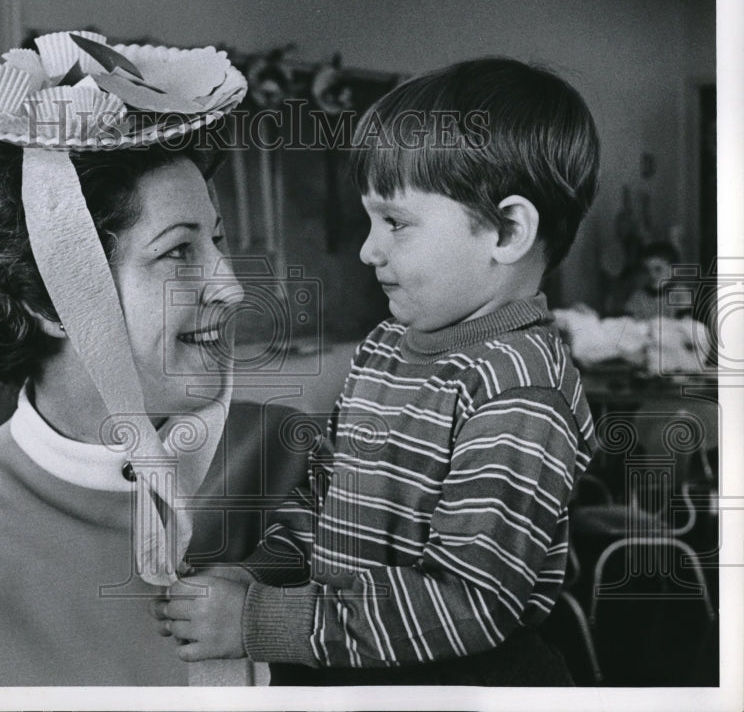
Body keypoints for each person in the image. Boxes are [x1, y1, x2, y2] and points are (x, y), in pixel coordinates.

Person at [0, 32, 308, 686]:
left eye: (214, 241)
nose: (232, 286)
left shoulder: (299, 458)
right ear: (51, 299)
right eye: (178, 252)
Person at [151, 57, 600, 686]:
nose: (368, 249)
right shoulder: (386, 349)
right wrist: (261, 572)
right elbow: (322, 499)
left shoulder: (520, 393)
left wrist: (261, 620)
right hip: (350, 659)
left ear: (507, 230)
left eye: (395, 222)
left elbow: (468, 606)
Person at [623, 239, 689, 320]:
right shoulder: (638, 297)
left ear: (673, 270)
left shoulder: (680, 294)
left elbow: (686, 323)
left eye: (658, 269)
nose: (652, 275)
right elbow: (629, 323)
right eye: (647, 270)